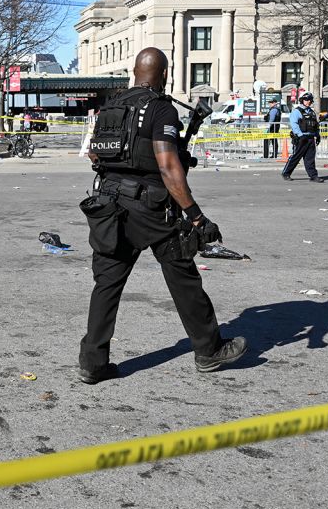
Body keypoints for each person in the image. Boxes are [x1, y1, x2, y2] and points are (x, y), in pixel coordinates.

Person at [77, 47, 248, 383]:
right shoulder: (160, 109)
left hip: (109, 206)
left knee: (106, 284)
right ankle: (209, 350)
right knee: (184, 278)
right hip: (152, 210)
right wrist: (197, 217)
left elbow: (95, 155)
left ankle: (92, 363)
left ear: (133, 71)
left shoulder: (111, 106)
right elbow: (169, 168)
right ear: (165, 74)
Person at [282, 92, 324, 182]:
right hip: (301, 138)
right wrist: (300, 135)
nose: (308, 102)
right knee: (295, 157)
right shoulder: (297, 111)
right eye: (306, 100)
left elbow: (315, 125)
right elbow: (294, 124)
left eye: (309, 100)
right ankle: (286, 173)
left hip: (310, 138)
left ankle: (313, 176)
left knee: (310, 159)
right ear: (302, 100)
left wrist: (317, 135)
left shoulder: (312, 112)